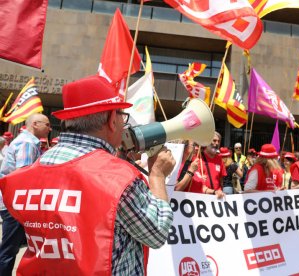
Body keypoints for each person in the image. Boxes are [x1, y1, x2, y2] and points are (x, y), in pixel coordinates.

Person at [0, 75, 175, 275]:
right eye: (122, 116)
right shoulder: (119, 177)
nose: (123, 123)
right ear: (111, 120)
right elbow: (156, 233)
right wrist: (158, 176)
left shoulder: (25, 175)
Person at [0, 113, 51, 275]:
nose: (50, 128)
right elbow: (25, 178)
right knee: (9, 250)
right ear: (35, 124)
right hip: (15, 205)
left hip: (13, 203)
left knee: (11, 248)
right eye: (47, 124)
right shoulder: (27, 143)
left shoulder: (27, 142)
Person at [190, 131, 226, 198]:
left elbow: (221, 180)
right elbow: (193, 178)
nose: (217, 143)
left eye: (218, 141)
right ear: (207, 141)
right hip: (202, 197)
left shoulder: (219, 159)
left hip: (217, 197)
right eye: (214, 140)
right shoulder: (198, 157)